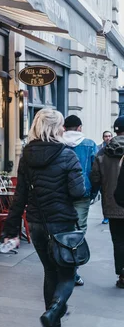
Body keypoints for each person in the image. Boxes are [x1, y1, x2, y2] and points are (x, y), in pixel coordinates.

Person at [3, 108, 85, 327]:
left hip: (37, 224)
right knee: (67, 274)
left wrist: (10, 229)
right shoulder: (68, 155)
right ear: (55, 128)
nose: (63, 129)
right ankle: (55, 311)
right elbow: (78, 192)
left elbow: (19, 196)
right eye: (60, 125)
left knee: (50, 272)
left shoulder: (26, 155)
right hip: (62, 225)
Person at [62, 115, 97, 287]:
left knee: (61, 230)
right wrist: (93, 193)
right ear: (80, 127)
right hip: (82, 194)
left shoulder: (58, 144)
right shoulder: (90, 144)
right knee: (79, 231)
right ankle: (73, 272)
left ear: (64, 128)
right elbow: (94, 172)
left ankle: (61, 265)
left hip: (61, 194)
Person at [91, 116, 124, 289]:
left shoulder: (104, 152)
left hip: (113, 204)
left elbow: (95, 177)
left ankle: (122, 274)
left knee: (118, 240)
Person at [98, 130, 113, 224]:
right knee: (105, 198)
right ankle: (106, 216)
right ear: (103, 138)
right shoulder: (99, 148)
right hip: (104, 177)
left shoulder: (116, 146)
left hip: (112, 175)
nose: (108, 138)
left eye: (109, 136)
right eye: (106, 136)